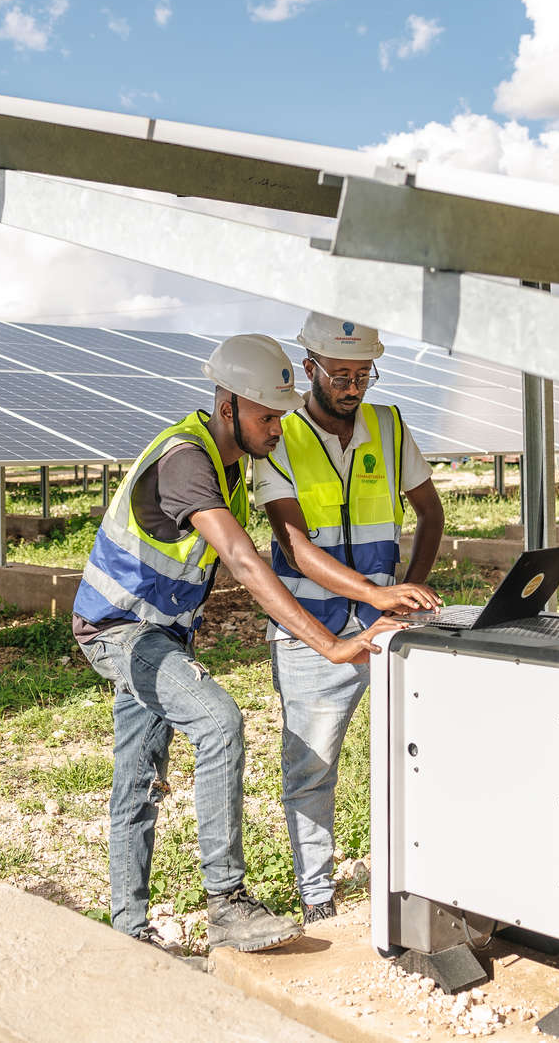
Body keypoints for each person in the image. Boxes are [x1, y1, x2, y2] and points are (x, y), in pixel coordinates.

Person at [71, 333, 403, 953]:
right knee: (220, 720)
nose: (279, 427)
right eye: (268, 416)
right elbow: (247, 564)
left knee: (137, 777)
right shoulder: (187, 460)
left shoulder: (227, 459)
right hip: (120, 629)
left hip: (161, 633)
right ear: (229, 409)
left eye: (279, 414)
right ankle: (226, 903)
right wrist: (332, 645)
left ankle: (127, 934)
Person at [255, 313, 446, 923]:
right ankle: (317, 900)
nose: (352, 385)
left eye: (363, 373)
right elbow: (294, 547)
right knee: (312, 767)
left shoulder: (388, 427)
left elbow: (429, 512)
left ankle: (422, 878)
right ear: (309, 367)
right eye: (340, 373)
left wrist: (408, 586)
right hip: (312, 636)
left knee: (418, 753)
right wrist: (374, 593)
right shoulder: (278, 435)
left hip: (389, 630)